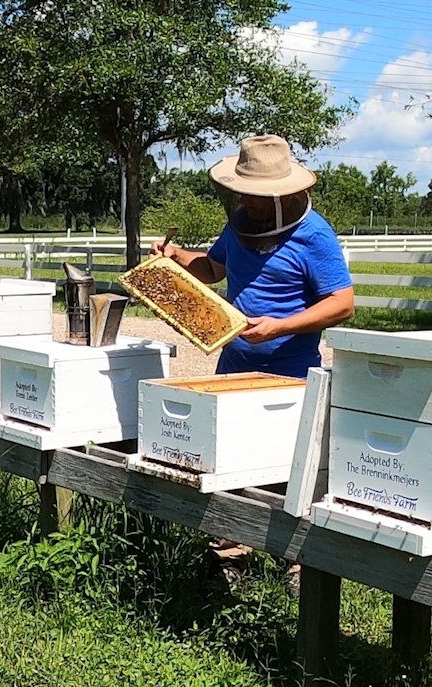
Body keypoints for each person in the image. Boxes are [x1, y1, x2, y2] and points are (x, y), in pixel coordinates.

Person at [150, 133, 355, 585]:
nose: (245, 199)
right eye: (242, 190)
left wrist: (279, 326)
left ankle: (298, 562)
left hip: (292, 374)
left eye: (255, 193)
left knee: (289, 470)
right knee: (230, 461)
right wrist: (175, 259)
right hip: (234, 367)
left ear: (284, 194)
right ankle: (229, 557)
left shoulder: (314, 235)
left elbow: (342, 302)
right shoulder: (239, 224)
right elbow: (213, 268)